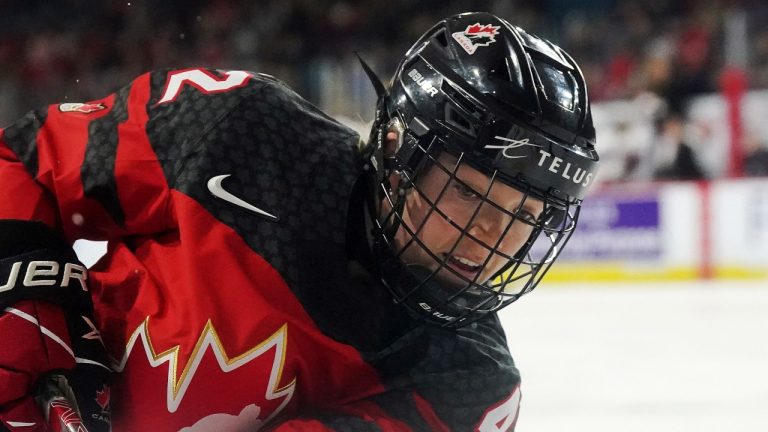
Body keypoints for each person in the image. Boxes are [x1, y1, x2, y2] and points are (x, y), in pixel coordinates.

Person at [0, 12, 599, 431]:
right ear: (396, 147)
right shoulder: (244, 130)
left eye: (526, 212)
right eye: (470, 193)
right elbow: (18, 158)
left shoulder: (468, 384)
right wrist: (31, 313)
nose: (495, 236)